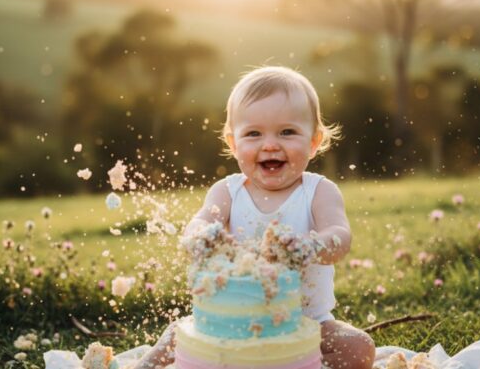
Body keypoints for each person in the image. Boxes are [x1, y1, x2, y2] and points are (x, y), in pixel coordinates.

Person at [136, 66, 376, 369]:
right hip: (232, 328)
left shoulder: (319, 192)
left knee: (358, 348)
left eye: (287, 132)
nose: (270, 144)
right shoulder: (227, 191)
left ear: (314, 141)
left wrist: (311, 246)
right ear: (233, 144)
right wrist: (201, 237)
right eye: (253, 134)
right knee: (179, 334)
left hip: (305, 326)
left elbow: (340, 236)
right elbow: (199, 222)